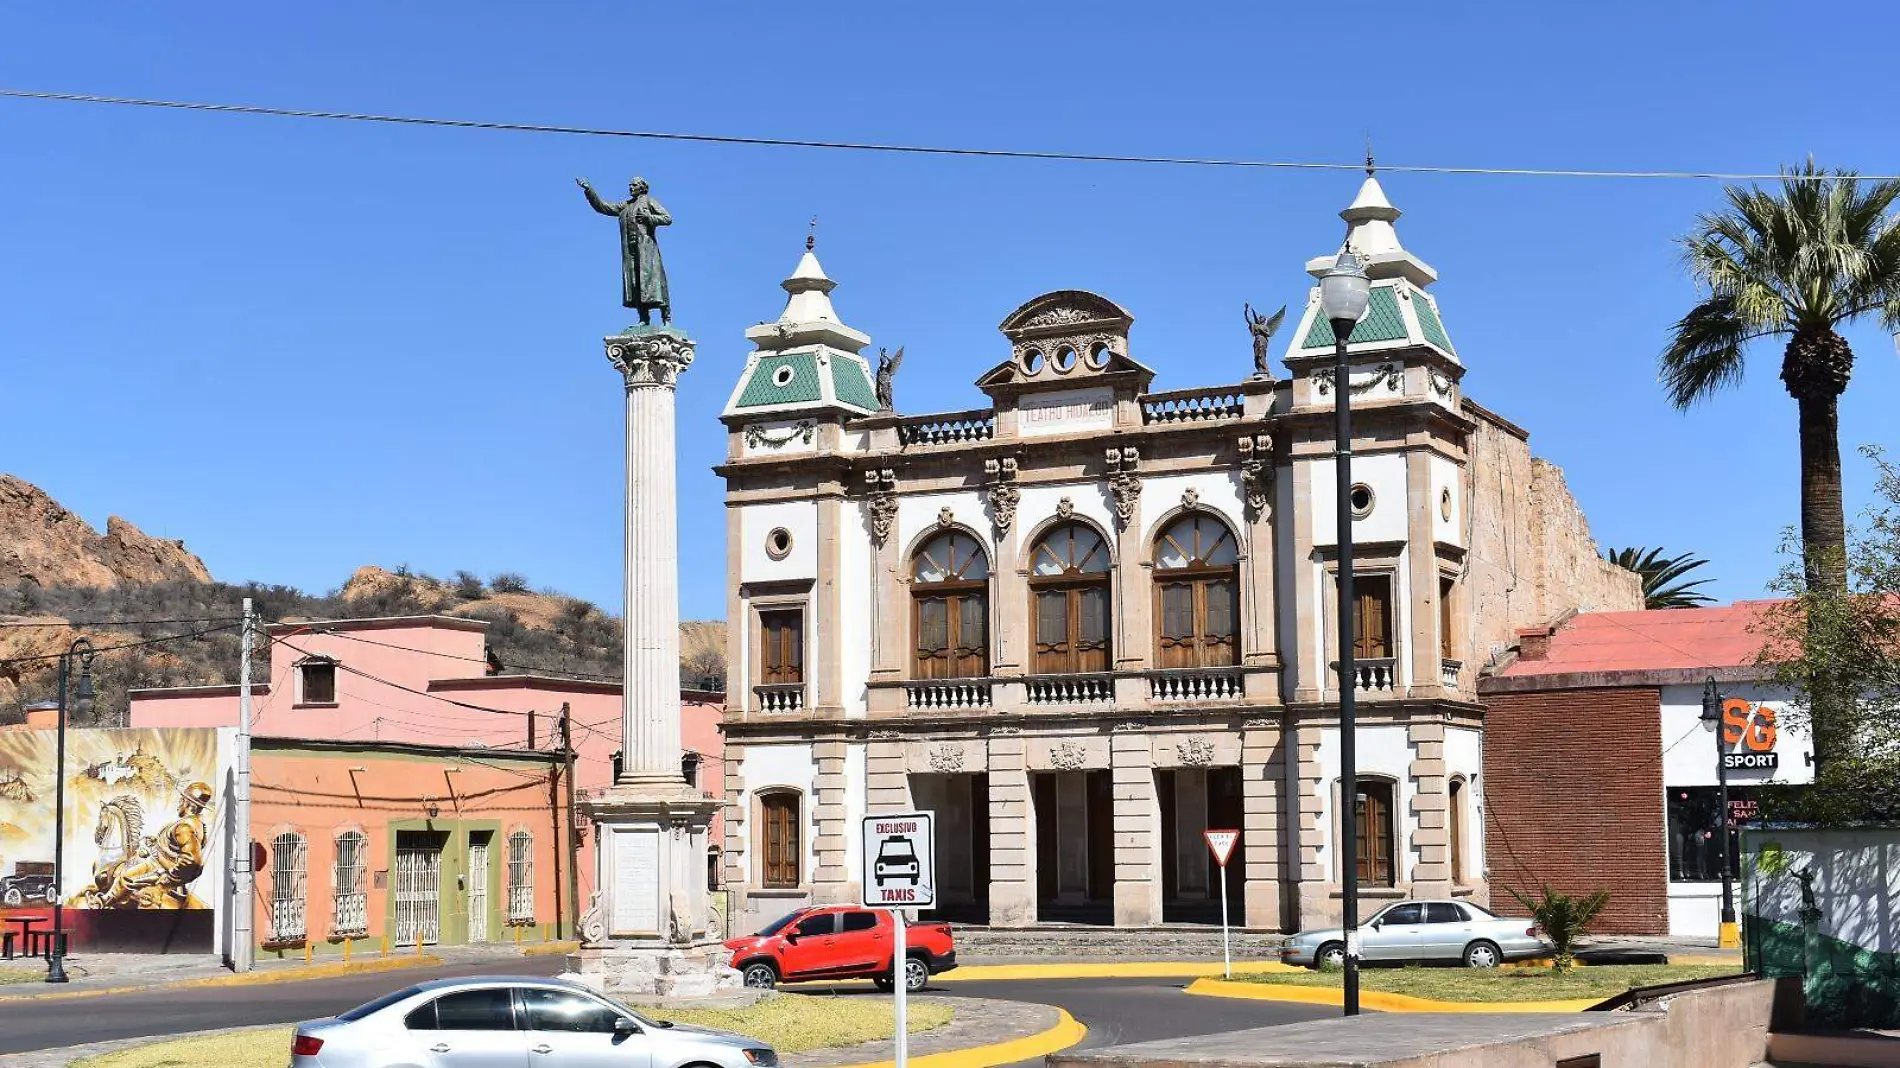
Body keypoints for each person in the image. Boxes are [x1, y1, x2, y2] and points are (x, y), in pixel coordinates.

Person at [90, 781, 213, 910]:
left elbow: (193, 861)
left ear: (188, 803)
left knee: (126, 878)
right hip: (158, 863)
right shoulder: (195, 824)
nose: (179, 802)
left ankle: (101, 903)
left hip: (158, 868)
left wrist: (167, 880)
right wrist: (157, 842)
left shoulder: (184, 827)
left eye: (182, 799)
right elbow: (175, 848)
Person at [578, 176, 673, 325]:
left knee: (654, 281)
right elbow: (603, 207)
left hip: (646, 248)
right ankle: (643, 318)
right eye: (630, 185)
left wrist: (650, 218)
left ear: (641, 187)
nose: (630, 187)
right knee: (635, 282)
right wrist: (589, 190)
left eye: (633, 185)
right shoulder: (625, 205)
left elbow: (667, 218)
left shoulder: (649, 201)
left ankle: (666, 317)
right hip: (630, 249)